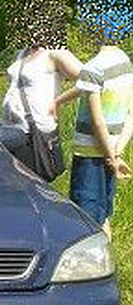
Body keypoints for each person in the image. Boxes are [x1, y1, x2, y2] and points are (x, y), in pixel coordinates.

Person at [64, 42, 133, 238]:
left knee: (86, 218)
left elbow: (98, 122)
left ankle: (95, 264)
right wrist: (116, 152)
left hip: (89, 155)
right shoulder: (124, 62)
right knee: (102, 215)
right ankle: (107, 260)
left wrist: (111, 157)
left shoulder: (93, 67)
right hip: (111, 150)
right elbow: (131, 114)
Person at [0, 46, 82, 176]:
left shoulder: (55, 54)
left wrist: (59, 101)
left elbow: (92, 79)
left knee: (30, 186)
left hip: (33, 133)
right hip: (8, 129)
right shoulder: (21, 53)